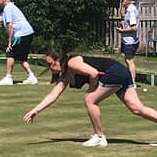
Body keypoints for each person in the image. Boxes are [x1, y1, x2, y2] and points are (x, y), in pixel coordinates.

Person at [23, 51, 157, 147]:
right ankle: (99, 136)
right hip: (121, 71)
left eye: (50, 64)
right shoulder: (66, 75)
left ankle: (99, 137)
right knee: (137, 109)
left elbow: (93, 73)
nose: (49, 67)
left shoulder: (72, 62)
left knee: (90, 99)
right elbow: (53, 95)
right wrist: (36, 110)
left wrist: (92, 89)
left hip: (114, 72)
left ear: (58, 60)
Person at [0, 0, 38, 85]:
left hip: (21, 34)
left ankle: (8, 78)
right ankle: (31, 77)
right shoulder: (5, 10)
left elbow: (10, 25)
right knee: (21, 58)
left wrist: (10, 42)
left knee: (10, 53)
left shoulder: (8, 8)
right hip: (26, 33)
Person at [116, 0, 140, 88]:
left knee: (129, 60)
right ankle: (130, 81)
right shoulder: (128, 9)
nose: (121, 1)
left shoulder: (131, 10)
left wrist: (122, 30)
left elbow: (134, 28)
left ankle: (132, 82)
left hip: (130, 40)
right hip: (128, 39)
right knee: (127, 60)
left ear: (128, 0)